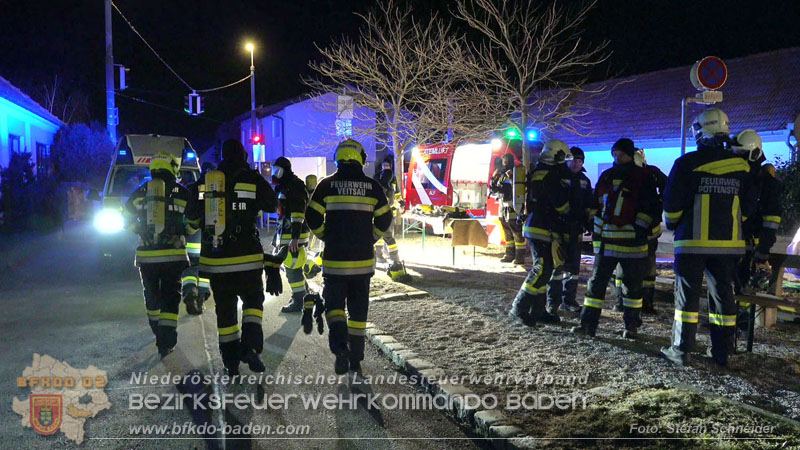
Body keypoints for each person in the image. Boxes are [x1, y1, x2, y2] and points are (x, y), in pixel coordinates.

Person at [659, 109, 756, 366]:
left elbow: (671, 207)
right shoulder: (743, 167)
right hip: (728, 247)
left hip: (691, 244)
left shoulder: (686, 163)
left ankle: (681, 351)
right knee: (724, 298)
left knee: (687, 300)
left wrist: (673, 223)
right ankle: (723, 353)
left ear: (700, 131)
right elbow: (748, 209)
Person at [185, 139, 278, 376]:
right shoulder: (252, 178)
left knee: (225, 313)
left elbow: (192, 221)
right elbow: (271, 204)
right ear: (244, 156)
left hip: (217, 262)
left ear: (222, 156)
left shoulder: (207, 181)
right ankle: (250, 348)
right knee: (253, 303)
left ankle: (231, 364)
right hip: (247, 258)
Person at [306, 139, 392, 376]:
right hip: (362, 264)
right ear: (360, 159)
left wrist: (327, 237)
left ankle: (339, 349)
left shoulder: (326, 185)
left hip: (334, 263)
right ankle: (355, 359)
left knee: (334, 308)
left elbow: (312, 217)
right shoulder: (372, 186)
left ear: (338, 158)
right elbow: (385, 219)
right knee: (358, 312)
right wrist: (369, 239)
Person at [571, 138, 660, 339]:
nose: (618, 158)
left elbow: (652, 208)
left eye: (622, 154)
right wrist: (597, 231)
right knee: (596, 285)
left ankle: (631, 327)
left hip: (632, 245)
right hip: (609, 242)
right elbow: (596, 207)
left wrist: (639, 229)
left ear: (630, 155)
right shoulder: (607, 177)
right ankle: (587, 325)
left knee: (632, 289)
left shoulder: (643, 177)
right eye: (615, 154)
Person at [123, 153, 191, 358]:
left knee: (151, 294)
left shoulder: (140, 192)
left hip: (147, 256)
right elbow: (195, 219)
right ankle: (166, 341)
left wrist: (139, 230)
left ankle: (156, 327)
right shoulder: (181, 192)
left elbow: (125, 218)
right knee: (171, 297)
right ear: (172, 169)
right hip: (173, 256)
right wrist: (184, 231)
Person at [509, 139, 572, 326]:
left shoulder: (542, 171)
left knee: (547, 270)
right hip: (540, 227)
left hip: (542, 226)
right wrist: (571, 212)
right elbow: (559, 203)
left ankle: (538, 310)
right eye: (562, 157)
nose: (564, 161)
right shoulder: (548, 174)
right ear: (556, 155)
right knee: (542, 268)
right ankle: (519, 307)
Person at [730, 130, 782, 343]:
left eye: (741, 153)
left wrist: (763, 250)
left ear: (753, 153)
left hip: (753, 244)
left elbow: (771, 220)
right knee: (730, 285)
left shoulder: (767, 182)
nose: (736, 156)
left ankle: (742, 328)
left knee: (744, 289)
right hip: (733, 241)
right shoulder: (742, 176)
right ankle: (730, 325)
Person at [612, 149, 667, 315]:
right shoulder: (623, 175)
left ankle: (646, 302)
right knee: (625, 268)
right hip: (630, 232)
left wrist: (660, 203)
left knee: (648, 270)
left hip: (649, 232)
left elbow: (670, 187)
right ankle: (621, 301)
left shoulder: (652, 173)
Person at [547, 147, 594, 314]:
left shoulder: (585, 181)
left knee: (573, 269)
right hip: (558, 229)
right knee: (557, 267)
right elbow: (553, 199)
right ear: (567, 160)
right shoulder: (557, 177)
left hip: (576, 230)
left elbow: (590, 202)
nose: (576, 164)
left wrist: (589, 220)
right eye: (573, 160)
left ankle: (569, 300)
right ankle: (553, 302)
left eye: (580, 161)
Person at [270, 157, 312, 313]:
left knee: (292, 268)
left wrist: (295, 237)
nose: (275, 174)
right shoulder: (285, 186)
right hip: (287, 234)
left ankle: (298, 300)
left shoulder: (295, 185)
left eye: (277, 170)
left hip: (295, 236)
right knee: (294, 266)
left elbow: (297, 212)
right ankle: (304, 294)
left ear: (284, 170)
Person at [181, 161, 215, 315]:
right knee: (205, 269)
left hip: (192, 237)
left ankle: (189, 290)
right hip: (210, 240)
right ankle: (201, 298)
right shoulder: (218, 189)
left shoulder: (191, 188)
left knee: (190, 267)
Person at [373, 155, 409, 280]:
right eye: (384, 166)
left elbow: (397, 193)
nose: (385, 168)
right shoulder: (377, 178)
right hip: (380, 212)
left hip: (390, 213)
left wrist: (401, 203)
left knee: (387, 235)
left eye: (387, 166)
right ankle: (389, 258)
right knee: (385, 236)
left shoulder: (393, 178)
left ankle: (385, 257)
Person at [490, 153, 527, 264]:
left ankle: (520, 257)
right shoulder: (501, 173)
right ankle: (509, 254)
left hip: (512, 205)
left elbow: (517, 187)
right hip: (502, 204)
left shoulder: (515, 172)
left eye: (506, 160)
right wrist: (493, 178)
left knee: (516, 230)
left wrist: (511, 177)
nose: (504, 162)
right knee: (507, 232)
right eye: (503, 160)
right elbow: (495, 189)